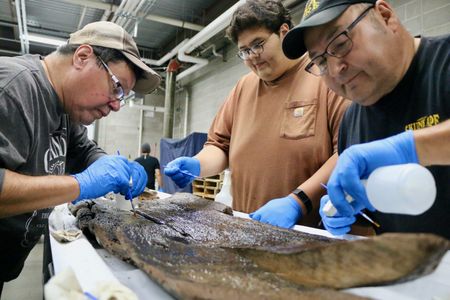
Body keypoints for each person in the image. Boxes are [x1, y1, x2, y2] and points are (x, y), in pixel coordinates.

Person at [0, 21, 161, 292]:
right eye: (117, 88)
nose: (116, 105)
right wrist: (80, 184)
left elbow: (84, 150)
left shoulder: (64, 109)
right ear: (82, 57)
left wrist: (107, 164)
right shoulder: (13, 87)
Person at [165, 0, 349, 229]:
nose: (252, 56)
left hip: (308, 232)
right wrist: (196, 164)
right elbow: (220, 146)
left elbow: (346, 153)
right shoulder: (243, 88)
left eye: (258, 44)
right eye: (244, 51)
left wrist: (298, 201)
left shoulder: (322, 76)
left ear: (283, 32)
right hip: (247, 227)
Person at [282, 0, 450, 238]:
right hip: (418, 271)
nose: (334, 68)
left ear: (385, 15)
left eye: (340, 43)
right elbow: (376, 222)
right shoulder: (352, 123)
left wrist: (409, 149)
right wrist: (345, 213)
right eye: (320, 61)